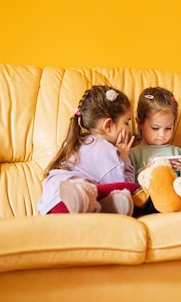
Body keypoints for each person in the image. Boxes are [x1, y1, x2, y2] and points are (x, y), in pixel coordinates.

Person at [37, 85, 140, 216]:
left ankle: (103, 205)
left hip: (51, 207)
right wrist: (124, 157)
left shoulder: (77, 142)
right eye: (126, 122)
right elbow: (124, 186)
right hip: (69, 201)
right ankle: (83, 196)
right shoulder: (104, 149)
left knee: (107, 195)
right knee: (137, 190)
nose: (130, 129)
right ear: (108, 125)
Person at [130, 87, 181, 179]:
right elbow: (128, 184)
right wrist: (144, 171)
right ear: (140, 123)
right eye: (155, 128)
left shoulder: (179, 154)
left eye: (168, 128)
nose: (162, 135)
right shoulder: (133, 155)